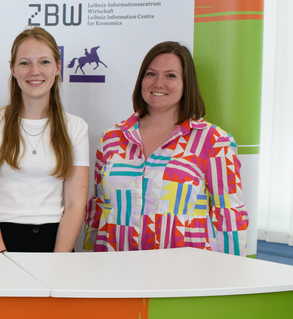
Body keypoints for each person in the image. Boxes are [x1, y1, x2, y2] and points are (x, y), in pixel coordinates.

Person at [85, 41, 249, 254]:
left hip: (184, 270)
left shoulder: (214, 142)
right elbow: (99, 206)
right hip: (116, 264)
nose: (159, 83)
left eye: (170, 76)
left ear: (186, 84)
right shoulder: (112, 138)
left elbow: (228, 214)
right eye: (151, 74)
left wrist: (229, 270)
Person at [0, 28, 89, 252]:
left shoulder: (76, 127)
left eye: (44, 62)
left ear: (57, 68)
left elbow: (75, 205)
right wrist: (1, 254)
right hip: (0, 239)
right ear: (13, 69)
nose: (35, 71)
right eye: (25, 63)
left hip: (56, 242)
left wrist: (59, 259)